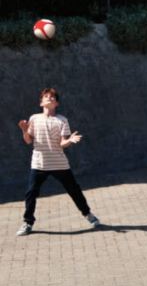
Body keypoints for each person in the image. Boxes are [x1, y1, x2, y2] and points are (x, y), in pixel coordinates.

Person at [16, 87, 101, 236]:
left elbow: (62, 144)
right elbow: (29, 141)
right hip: (39, 164)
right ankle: (28, 222)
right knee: (31, 193)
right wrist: (24, 130)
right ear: (41, 102)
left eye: (53, 97)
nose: (50, 98)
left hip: (59, 164)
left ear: (57, 104)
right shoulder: (34, 118)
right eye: (46, 97)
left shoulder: (62, 120)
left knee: (74, 190)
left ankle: (88, 214)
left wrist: (69, 141)